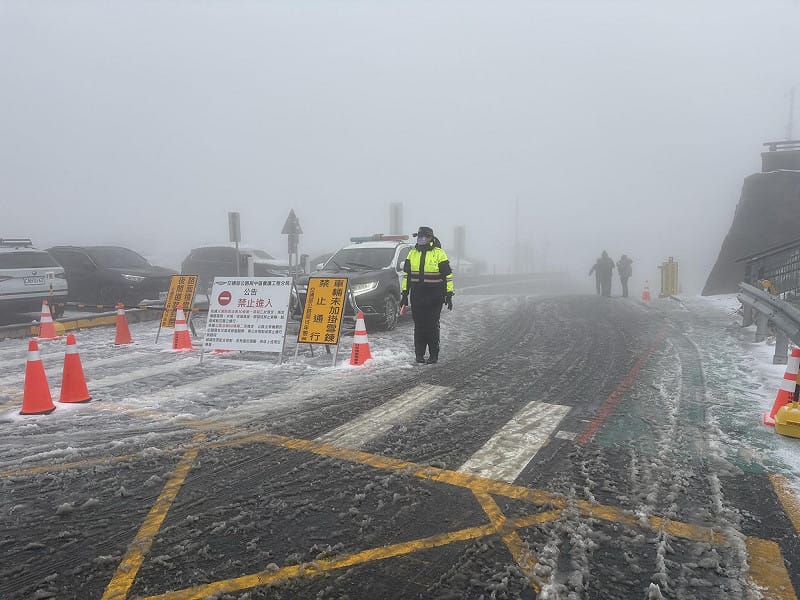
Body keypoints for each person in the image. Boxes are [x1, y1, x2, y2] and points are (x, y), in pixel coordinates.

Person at [400, 226, 454, 364]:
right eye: (420, 236)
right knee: (419, 326)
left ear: (431, 238)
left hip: (435, 296)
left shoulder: (439, 253)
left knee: (431, 325)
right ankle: (419, 355)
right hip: (417, 295)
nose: (422, 239)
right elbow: (406, 275)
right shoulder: (412, 253)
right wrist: (404, 294)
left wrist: (449, 294)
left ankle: (433, 355)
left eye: (425, 236)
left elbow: (447, 275)